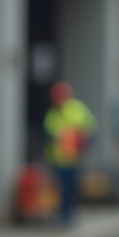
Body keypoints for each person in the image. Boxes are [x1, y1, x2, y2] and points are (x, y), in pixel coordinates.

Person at [43, 81, 96, 226]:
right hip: (57, 159)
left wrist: (83, 144)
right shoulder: (52, 113)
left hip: (73, 158)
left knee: (71, 188)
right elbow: (47, 133)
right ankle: (60, 215)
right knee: (59, 189)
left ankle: (69, 215)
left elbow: (89, 130)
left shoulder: (77, 109)